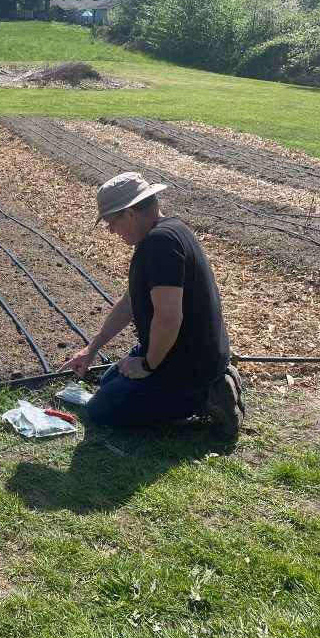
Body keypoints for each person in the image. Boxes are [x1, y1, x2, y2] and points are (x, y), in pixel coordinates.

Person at [60, 171, 245, 438]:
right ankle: (200, 384)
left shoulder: (160, 244)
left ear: (130, 214)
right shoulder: (166, 233)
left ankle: (207, 396)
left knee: (102, 410)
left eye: (111, 222)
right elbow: (129, 302)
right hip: (180, 349)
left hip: (187, 363)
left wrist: (147, 365)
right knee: (111, 382)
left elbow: (170, 318)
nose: (111, 231)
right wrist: (92, 348)